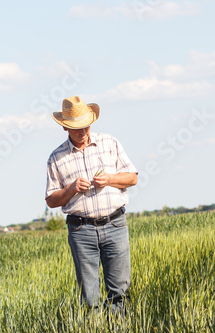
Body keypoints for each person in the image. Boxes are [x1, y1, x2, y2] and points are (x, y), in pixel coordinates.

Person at [45, 96, 138, 314]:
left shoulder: (110, 143)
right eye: (76, 127)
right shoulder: (56, 158)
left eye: (85, 125)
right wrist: (71, 189)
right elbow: (50, 200)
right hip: (81, 230)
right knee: (89, 296)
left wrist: (110, 179)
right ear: (65, 127)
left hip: (115, 224)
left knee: (120, 292)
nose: (82, 131)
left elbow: (132, 178)